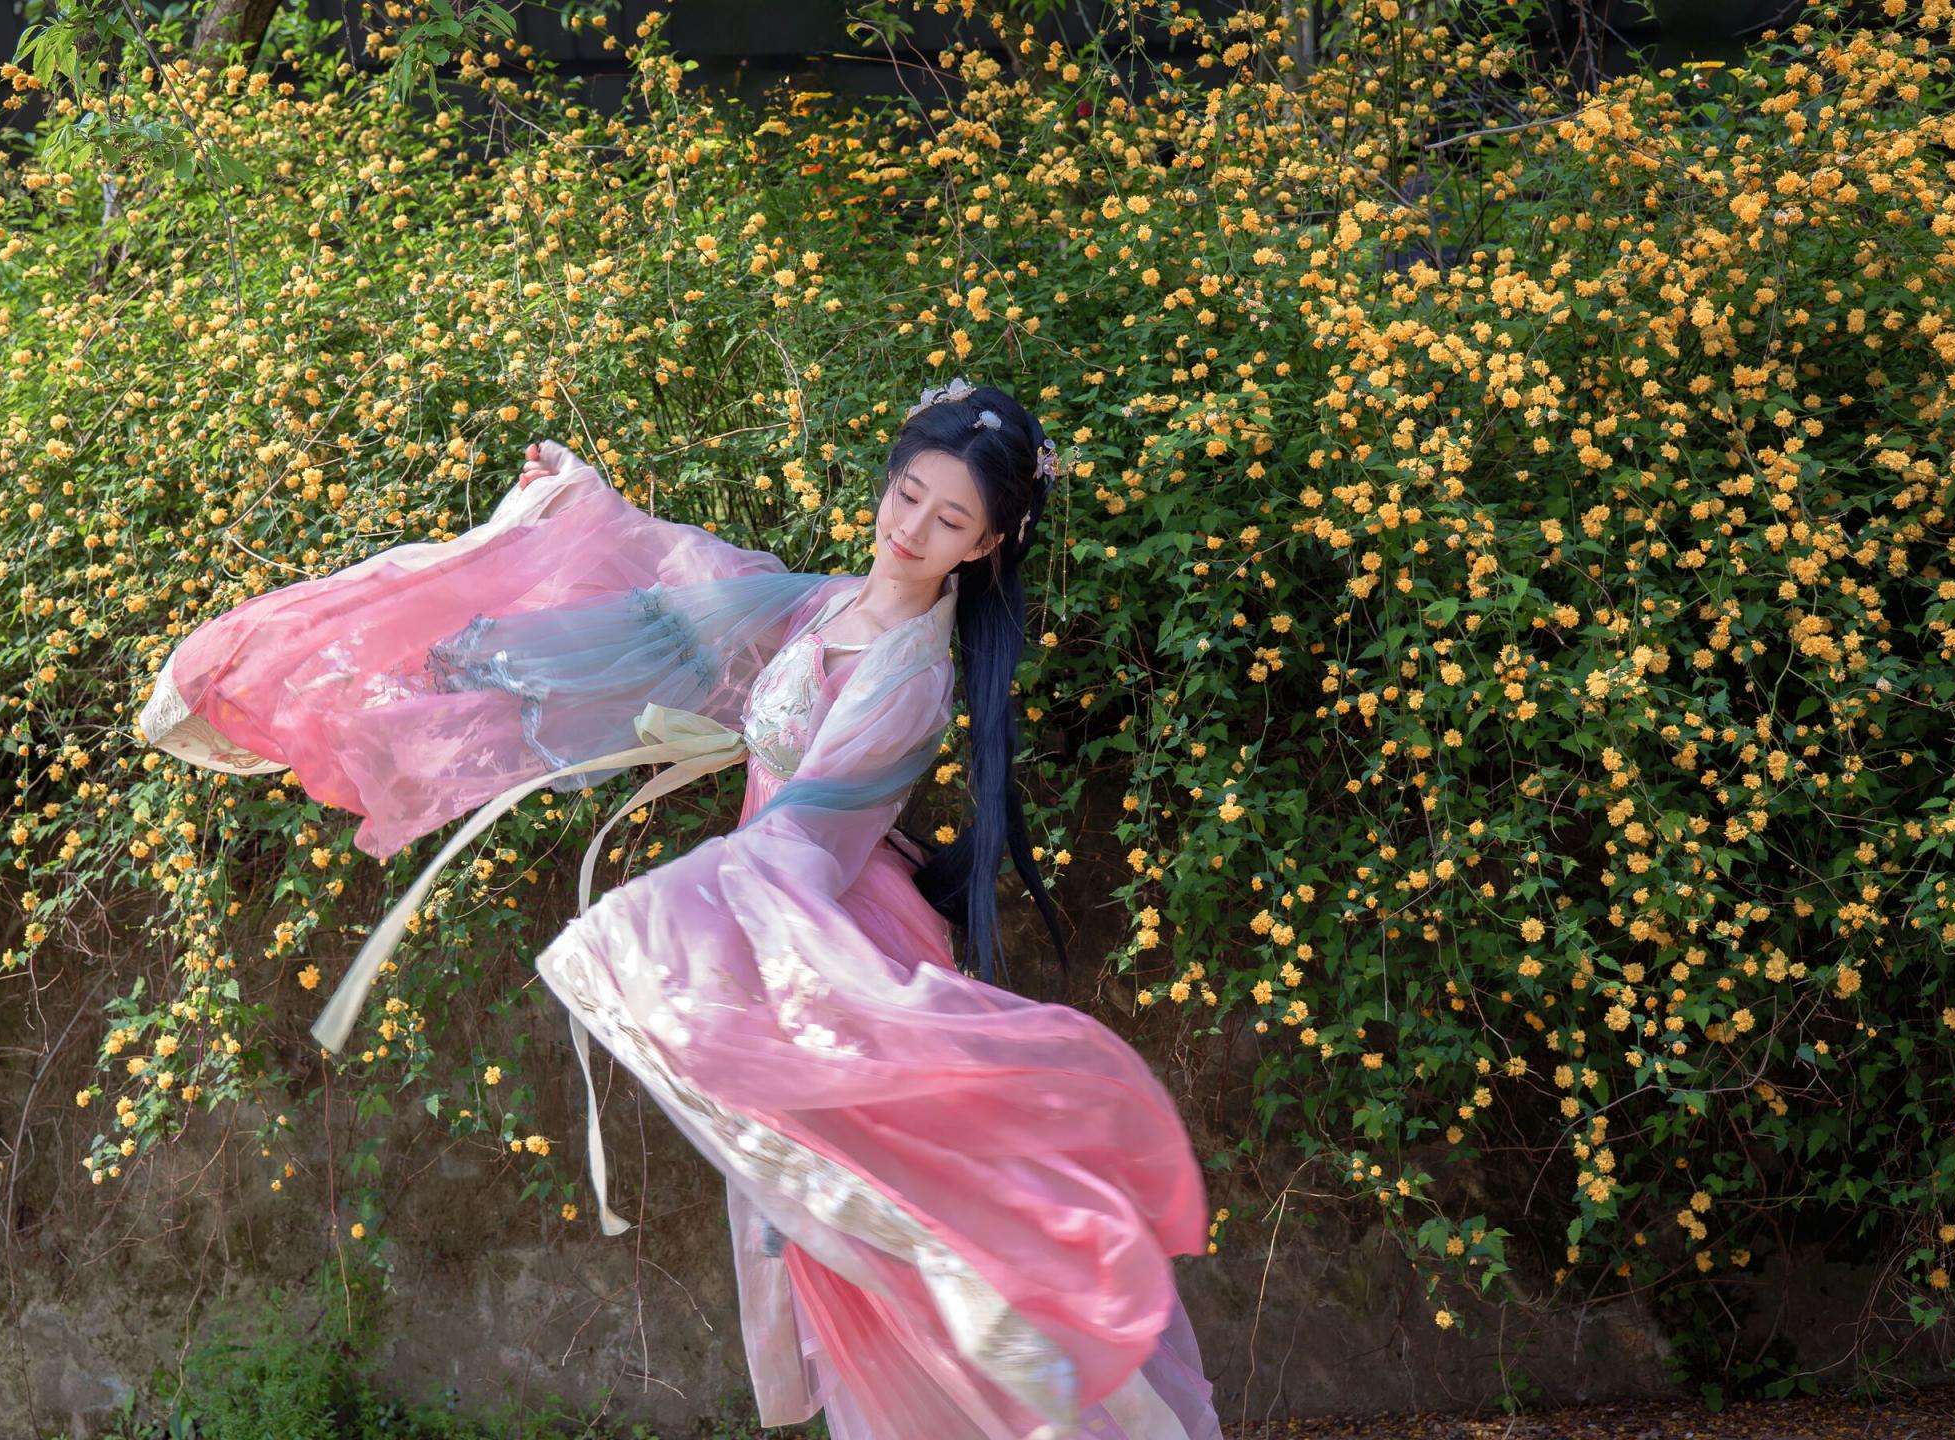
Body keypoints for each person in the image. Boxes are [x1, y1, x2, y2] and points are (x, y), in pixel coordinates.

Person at [137, 378, 1222, 1440]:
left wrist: (655, 921)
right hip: (771, 913)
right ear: (887, 480)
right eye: (907, 497)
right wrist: (581, 504)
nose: (914, 530)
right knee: (833, 1247)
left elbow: (805, 840)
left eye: (949, 522)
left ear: (985, 547)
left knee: (903, 1240)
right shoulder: (827, 601)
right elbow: (688, 585)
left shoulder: (910, 677)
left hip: (827, 936)